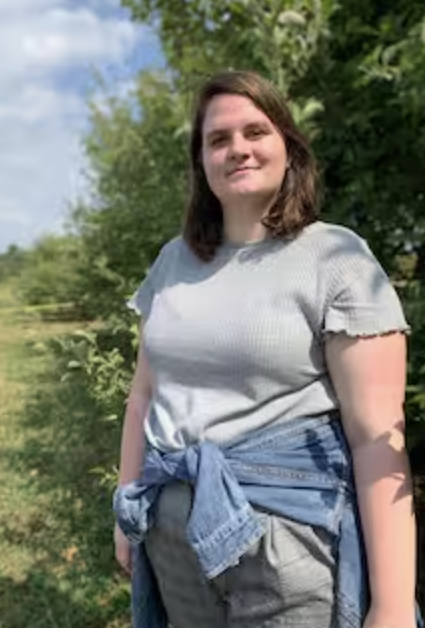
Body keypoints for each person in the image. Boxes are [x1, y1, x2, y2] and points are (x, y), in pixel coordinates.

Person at [113, 70, 419, 628]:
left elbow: (376, 437)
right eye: (218, 139)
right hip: (171, 541)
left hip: (285, 545)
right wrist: (126, 508)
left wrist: (393, 605)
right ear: (201, 161)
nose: (237, 149)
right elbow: (142, 400)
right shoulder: (172, 263)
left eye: (255, 131)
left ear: (289, 147)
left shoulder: (336, 257)